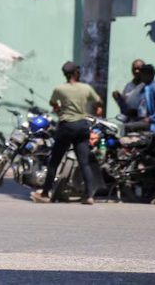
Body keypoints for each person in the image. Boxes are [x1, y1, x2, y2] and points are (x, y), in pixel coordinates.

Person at [31, 61, 102, 205]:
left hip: (66, 126)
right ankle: (89, 196)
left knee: (54, 162)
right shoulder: (86, 88)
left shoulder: (59, 89)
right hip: (82, 126)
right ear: (76, 73)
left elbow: (53, 103)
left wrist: (58, 108)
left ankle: (45, 193)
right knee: (84, 163)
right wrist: (99, 109)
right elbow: (99, 101)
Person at [130, 64, 155, 135]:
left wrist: (151, 118)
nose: (141, 77)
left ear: (149, 75)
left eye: (143, 74)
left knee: (127, 127)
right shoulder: (144, 88)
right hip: (145, 121)